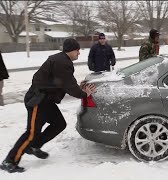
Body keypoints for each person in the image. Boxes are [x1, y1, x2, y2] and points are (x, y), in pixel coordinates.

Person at [0, 39, 96, 173]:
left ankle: (34, 146)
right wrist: (83, 93)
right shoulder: (62, 62)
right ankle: (9, 161)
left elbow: (64, 83)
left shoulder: (62, 60)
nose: (79, 53)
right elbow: (68, 84)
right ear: (71, 50)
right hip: (38, 101)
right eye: (77, 50)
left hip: (46, 101)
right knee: (31, 133)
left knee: (59, 124)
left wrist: (78, 89)